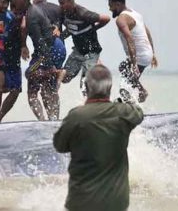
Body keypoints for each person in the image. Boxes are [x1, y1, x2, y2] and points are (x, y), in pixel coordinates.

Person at [53, 64, 144, 211]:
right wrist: (125, 100)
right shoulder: (123, 113)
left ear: (87, 88)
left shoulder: (76, 116)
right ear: (109, 89)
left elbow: (59, 145)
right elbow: (138, 113)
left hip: (81, 202)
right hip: (116, 203)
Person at [12, 0, 58, 121]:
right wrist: (24, 45)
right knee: (46, 86)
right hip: (54, 48)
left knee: (30, 75)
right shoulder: (33, 10)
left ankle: (44, 120)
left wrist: (48, 65)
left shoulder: (31, 15)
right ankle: (52, 119)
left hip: (47, 52)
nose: (14, 1)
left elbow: (41, 44)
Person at [56, 0, 110, 96]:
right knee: (66, 78)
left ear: (71, 0)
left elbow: (106, 18)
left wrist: (94, 28)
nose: (61, 6)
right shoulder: (63, 12)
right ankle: (96, 66)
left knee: (85, 84)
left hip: (91, 51)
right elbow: (71, 28)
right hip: (78, 51)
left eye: (63, 3)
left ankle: (92, 105)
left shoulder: (83, 13)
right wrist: (59, 35)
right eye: (59, 3)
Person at [106, 0, 158, 102]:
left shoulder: (121, 19)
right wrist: (153, 54)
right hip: (145, 54)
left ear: (118, 4)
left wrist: (134, 64)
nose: (110, 9)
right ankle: (141, 92)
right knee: (123, 68)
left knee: (124, 88)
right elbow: (147, 32)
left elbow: (130, 39)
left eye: (111, 6)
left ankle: (132, 106)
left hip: (139, 57)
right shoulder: (135, 14)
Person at [32, 0, 66, 120]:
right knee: (50, 88)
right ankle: (54, 118)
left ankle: (47, 120)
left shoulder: (34, 10)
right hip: (60, 48)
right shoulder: (58, 9)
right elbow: (67, 26)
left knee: (32, 74)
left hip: (45, 50)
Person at [0, 0, 29, 122]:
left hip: (15, 63)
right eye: (16, 13)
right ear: (12, 10)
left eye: (21, 13)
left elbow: (24, 32)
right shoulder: (2, 21)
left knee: (16, 91)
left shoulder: (23, 23)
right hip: (2, 62)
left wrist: (24, 46)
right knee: (1, 90)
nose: (18, 16)